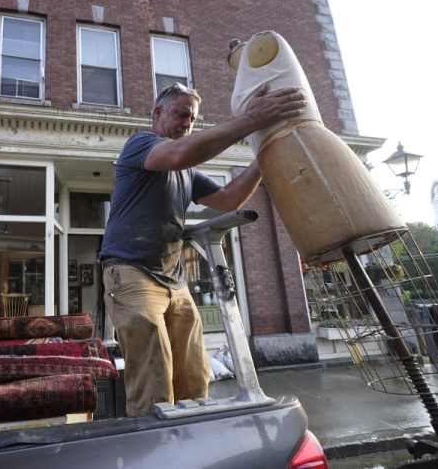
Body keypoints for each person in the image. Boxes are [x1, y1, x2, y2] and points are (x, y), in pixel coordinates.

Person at [99, 81, 307, 416]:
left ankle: (192, 445)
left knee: (194, 373)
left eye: (192, 119)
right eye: (182, 114)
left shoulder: (187, 171)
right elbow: (181, 152)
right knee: (153, 378)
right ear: (157, 113)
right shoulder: (142, 144)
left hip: (174, 278)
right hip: (131, 270)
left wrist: (262, 159)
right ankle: (154, 452)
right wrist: (253, 119)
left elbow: (228, 200)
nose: (187, 124)